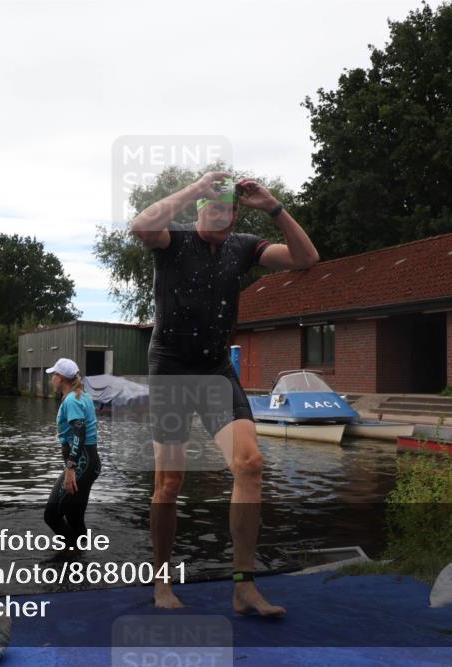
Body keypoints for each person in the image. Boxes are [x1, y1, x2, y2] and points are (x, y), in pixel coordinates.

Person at [130, 171, 320, 615]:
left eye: (228, 209)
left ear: (236, 213)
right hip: (173, 369)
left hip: (215, 369)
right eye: (211, 208)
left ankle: (243, 586)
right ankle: (161, 581)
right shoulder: (172, 242)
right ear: (198, 210)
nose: (220, 216)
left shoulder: (244, 246)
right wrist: (198, 186)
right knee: (170, 483)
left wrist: (274, 206)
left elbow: (306, 258)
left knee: (250, 465)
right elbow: (140, 226)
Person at [43, 358, 100, 547]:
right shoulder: (81, 395)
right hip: (88, 462)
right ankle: (81, 557)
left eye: (54, 375)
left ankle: (73, 551)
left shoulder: (72, 400)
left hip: (81, 463)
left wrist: (70, 467)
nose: (52, 378)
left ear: (61, 378)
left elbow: (79, 433)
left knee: (52, 515)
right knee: (74, 518)